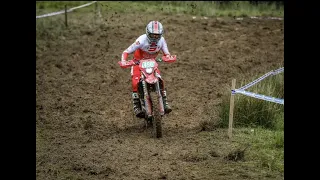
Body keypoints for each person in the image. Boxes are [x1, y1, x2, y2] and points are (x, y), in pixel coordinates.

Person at [120, 20, 175, 118]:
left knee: (160, 79)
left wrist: (168, 57)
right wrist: (124, 61)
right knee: (135, 83)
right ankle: (136, 105)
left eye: (157, 35)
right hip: (137, 63)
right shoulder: (141, 40)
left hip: (152, 63)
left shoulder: (162, 40)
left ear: (160, 34)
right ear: (148, 33)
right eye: (153, 35)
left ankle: (165, 102)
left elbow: (167, 53)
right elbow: (126, 51)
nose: (155, 37)